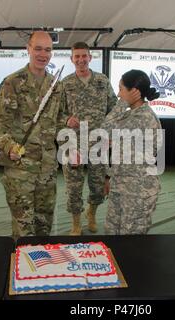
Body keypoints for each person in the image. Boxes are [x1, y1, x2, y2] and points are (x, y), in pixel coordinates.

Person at [0, 31, 68, 240]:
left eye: (48, 50)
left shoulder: (56, 86)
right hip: (20, 170)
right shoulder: (12, 83)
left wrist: (70, 138)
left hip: (47, 170)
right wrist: (9, 147)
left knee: (44, 226)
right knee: (24, 230)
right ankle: (22, 271)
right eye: (38, 49)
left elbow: (59, 123)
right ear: (28, 49)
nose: (43, 54)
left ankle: (40, 271)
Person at [62, 42, 117, 235]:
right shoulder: (66, 84)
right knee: (74, 187)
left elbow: (114, 109)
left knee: (97, 185)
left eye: (84, 56)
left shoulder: (102, 80)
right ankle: (76, 223)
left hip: (98, 143)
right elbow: (56, 113)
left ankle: (91, 214)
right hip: (73, 144)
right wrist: (66, 119)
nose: (80, 60)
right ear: (71, 59)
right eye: (76, 56)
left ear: (90, 57)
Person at [102, 69, 162, 234]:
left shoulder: (143, 118)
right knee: (112, 234)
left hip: (137, 193)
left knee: (131, 244)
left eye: (121, 89)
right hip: (121, 186)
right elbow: (118, 153)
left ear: (134, 92)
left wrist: (121, 104)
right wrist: (108, 177)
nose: (119, 95)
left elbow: (104, 130)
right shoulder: (130, 115)